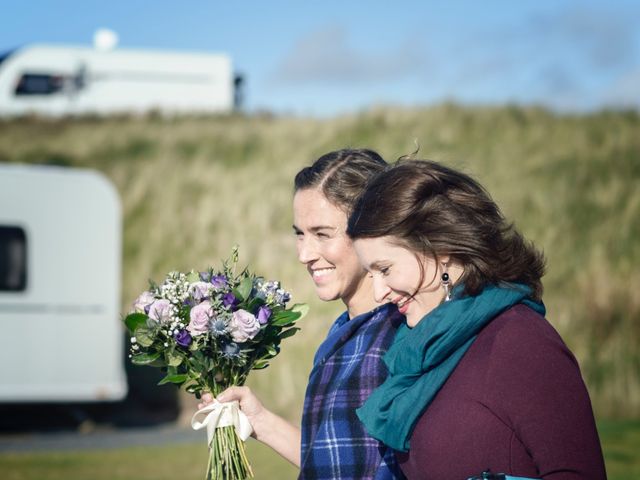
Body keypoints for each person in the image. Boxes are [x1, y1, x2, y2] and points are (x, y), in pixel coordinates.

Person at [346, 159, 607, 479]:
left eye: (384, 269)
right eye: (370, 273)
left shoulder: (520, 342)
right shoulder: (416, 351)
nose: (378, 292)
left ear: (439, 248)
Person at [200, 149, 405, 479]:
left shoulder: (402, 334)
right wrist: (261, 422)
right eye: (300, 233)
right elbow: (333, 462)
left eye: (322, 234)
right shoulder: (341, 332)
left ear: (372, 231)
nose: (305, 254)